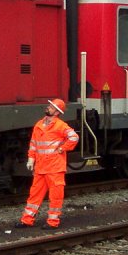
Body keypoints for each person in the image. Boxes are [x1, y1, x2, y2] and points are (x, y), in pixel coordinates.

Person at [15, 98, 79, 230]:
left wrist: (62, 148)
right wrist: (31, 159)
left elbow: (74, 137)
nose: (48, 107)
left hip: (54, 167)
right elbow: (34, 144)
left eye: (51, 106)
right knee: (34, 195)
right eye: (49, 105)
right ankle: (27, 220)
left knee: (55, 196)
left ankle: (52, 222)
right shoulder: (39, 124)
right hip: (42, 167)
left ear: (57, 112)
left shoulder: (60, 126)